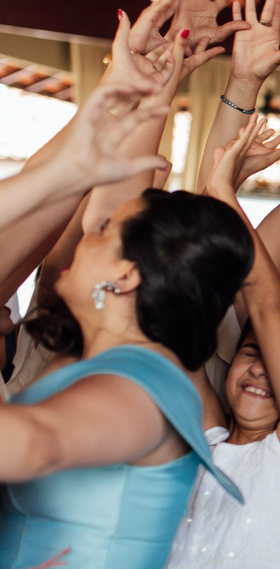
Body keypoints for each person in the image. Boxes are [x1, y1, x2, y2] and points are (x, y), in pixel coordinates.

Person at [0, 187, 252, 568]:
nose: (85, 234)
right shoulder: (81, 361)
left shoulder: (144, 386)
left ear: (127, 273)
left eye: (102, 230)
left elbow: (28, 445)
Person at [168, 117, 280, 568]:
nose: (261, 370)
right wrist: (221, 188)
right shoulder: (206, 440)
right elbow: (183, 307)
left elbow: (266, 308)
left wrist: (226, 192)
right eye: (251, 354)